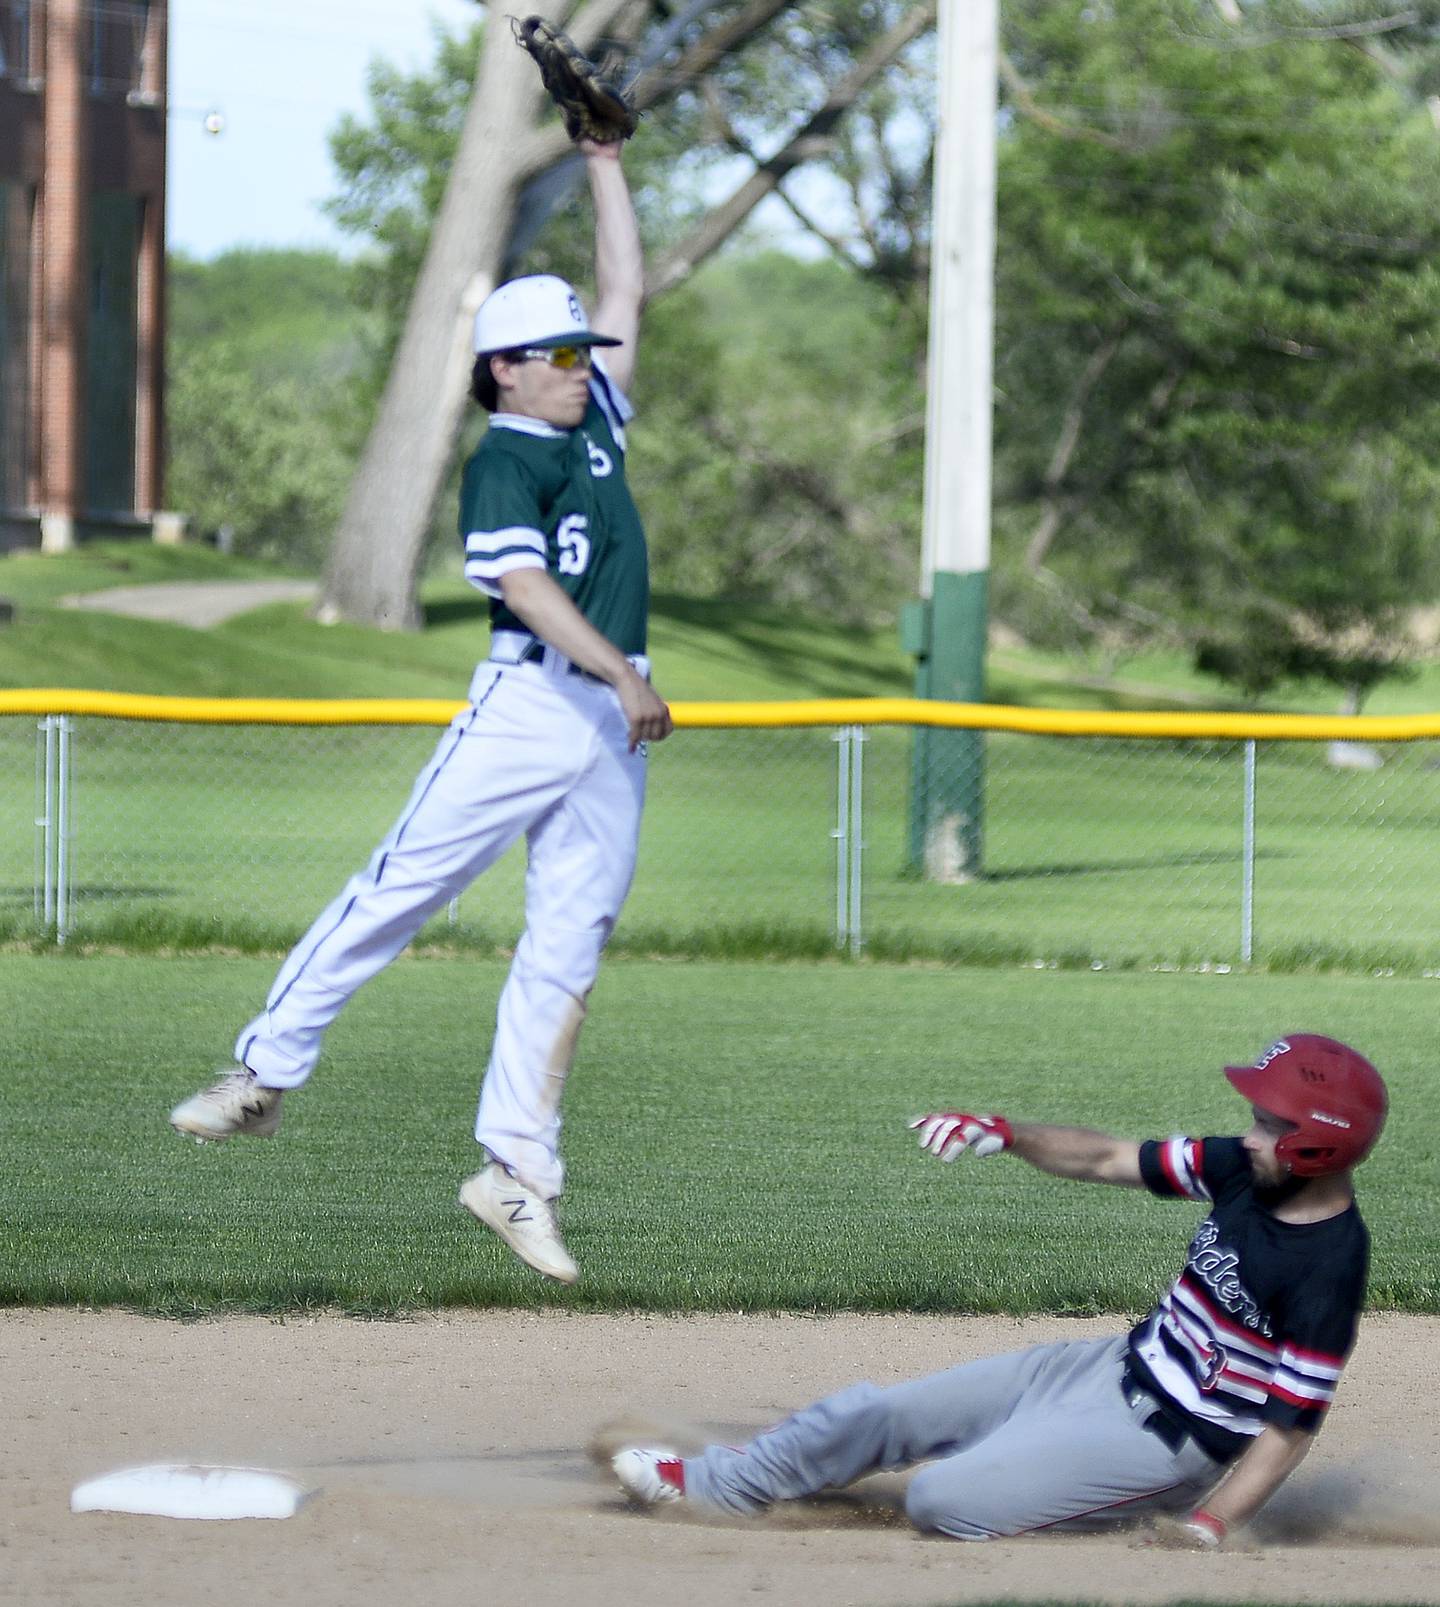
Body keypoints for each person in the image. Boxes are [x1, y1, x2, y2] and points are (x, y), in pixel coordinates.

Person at [169, 137, 673, 1287]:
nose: (582, 364)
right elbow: (526, 589)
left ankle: (515, 1172)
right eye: (558, 354)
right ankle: (261, 1075)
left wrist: (602, 158)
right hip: (537, 703)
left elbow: (629, 288)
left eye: (582, 351)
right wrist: (626, 675)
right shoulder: (504, 460)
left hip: (606, 727)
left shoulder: (596, 419)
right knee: (402, 886)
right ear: (505, 368)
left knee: (569, 941)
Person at [610, 1033, 1386, 1547]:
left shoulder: (1330, 1264)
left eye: (1266, 1122)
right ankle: (719, 1483)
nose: (1247, 1133)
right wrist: (1008, 1133)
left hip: (1166, 1444)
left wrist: (1211, 1525)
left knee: (940, 1501)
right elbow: (1109, 1157)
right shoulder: (1239, 1170)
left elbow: (1289, 1428)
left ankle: (1068, 1484)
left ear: (1315, 1143)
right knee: (890, 1411)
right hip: (1104, 1367)